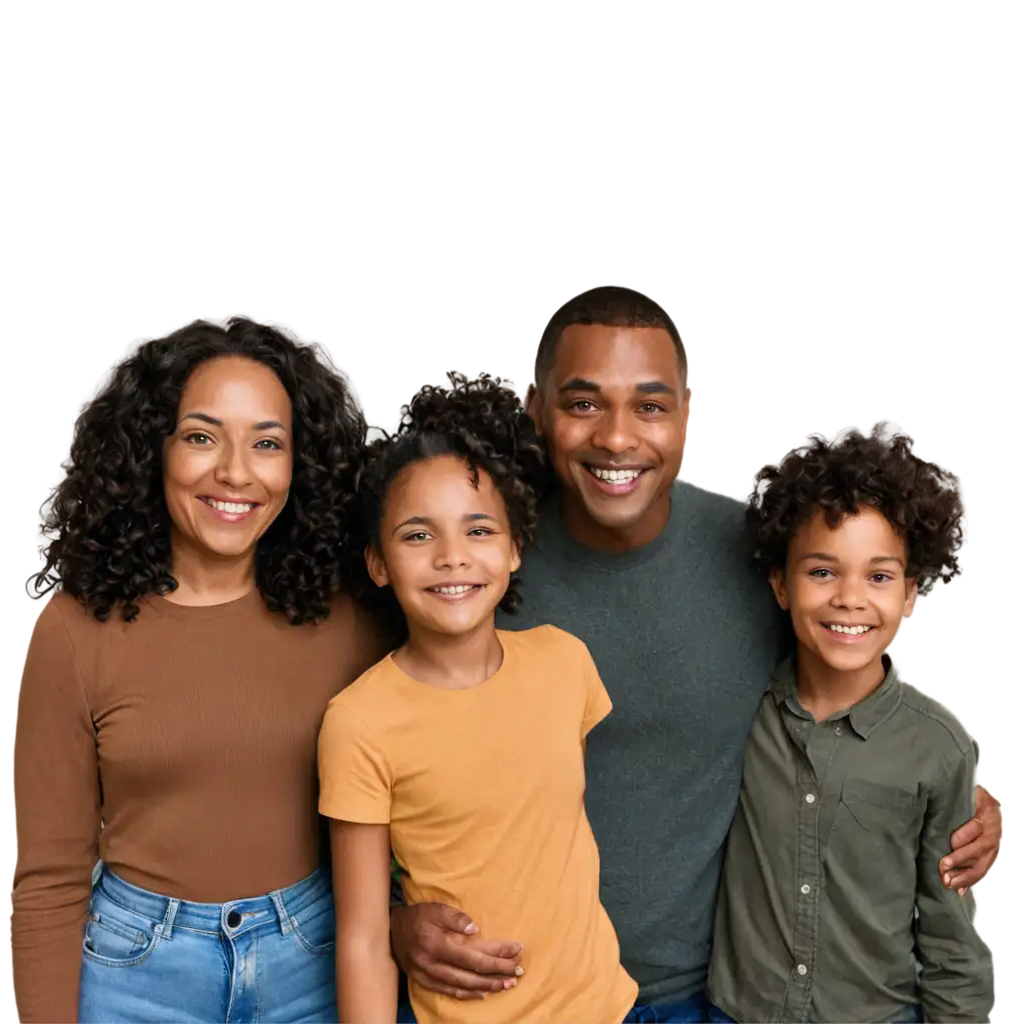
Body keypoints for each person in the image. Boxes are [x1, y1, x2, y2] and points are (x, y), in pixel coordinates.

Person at [386, 282, 1002, 1023]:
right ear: (536, 410)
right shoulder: (473, 567)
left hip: (706, 998)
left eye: (649, 405)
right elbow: (379, 739)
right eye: (583, 403)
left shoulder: (757, 550)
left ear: (685, 417)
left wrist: (951, 799)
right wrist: (392, 918)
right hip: (519, 996)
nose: (617, 438)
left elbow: (853, 675)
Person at [10, 320, 388, 1024]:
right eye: (202, 436)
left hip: (313, 959)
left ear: (298, 465)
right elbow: (48, 879)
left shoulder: (351, 616)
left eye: (267, 443)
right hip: (135, 973)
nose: (236, 473)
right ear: (152, 451)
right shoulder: (70, 628)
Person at [317, 376, 639, 1024]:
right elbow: (361, 935)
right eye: (417, 536)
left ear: (516, 546)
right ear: (378, 562)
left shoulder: (565, 663)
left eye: (478, 530)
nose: (451, 558)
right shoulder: (358, 723)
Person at [707, 431, 993, 1024]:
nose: (850, 599)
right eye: (822, 572)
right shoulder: (739, 711)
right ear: (780, 585)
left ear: (911, 593)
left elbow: (948, 935)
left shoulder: (937, 747)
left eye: (880, 577)